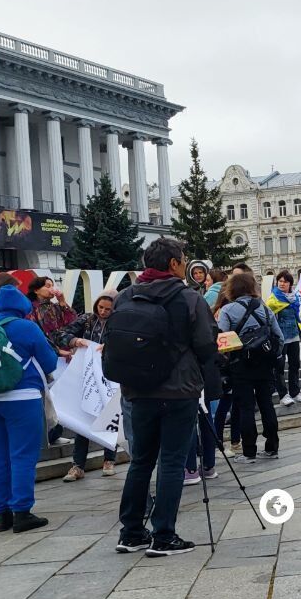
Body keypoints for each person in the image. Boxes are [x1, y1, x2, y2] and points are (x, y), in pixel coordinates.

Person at [110, 238, 217, 556]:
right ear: (173, 264)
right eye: (183, 260)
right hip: (178, 389)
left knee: (140, 461)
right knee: (171, 461)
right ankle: (164, 535)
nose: (185, 264)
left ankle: (131, 532)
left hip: (137, 390)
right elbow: (207, 343)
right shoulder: (188, 298)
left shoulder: (125, 296)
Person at [0, 284, 60, 533]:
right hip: (22, 398)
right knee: (22, 455)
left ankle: (2, 514)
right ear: (22, 306)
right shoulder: (27, 327)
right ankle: (22, 512)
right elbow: (49, 361)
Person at [216, 272, 283, 466]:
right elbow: (277, 336)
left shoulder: (228, 310)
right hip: (264, 363)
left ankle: (249, 451)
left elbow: (222, 341)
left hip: (241, 366)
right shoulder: (264, 307)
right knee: (266, 404)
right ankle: (272, 447)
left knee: (246, 407)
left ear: (232, 289)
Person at [56, 293, 119, 481]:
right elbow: (60, 334)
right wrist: (75, 341)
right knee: (83, 417)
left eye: (108, 309)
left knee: (109, 414)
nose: (103, 312)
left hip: (110, 376)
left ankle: (109, 459)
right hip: (88, 373)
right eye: (101, 307)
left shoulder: (118, 322)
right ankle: (78, 465)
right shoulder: (86, 320)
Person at [26, 276, 75, 446]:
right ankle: (49, 433)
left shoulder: (54, 307)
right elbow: (39, 335)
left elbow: (72, 323)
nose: (51, 289)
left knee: (60, 394)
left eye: (52, 285)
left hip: (62, 355)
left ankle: (56, 431)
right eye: (47, 286)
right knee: (48, 395)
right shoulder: (31, 309)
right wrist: (56, 350)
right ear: (36, 289)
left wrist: (62, 301)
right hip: (45, 355)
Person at [267, 271, 301, 406]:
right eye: (280, 281)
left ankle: (295, 392)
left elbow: (298, 314)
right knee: (279, 367)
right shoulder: (273, 299)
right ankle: (283, 394)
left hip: (294, 335)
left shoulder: (295, 298)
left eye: (285, 281)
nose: (282, 283)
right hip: (280, 338)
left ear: (290, 284)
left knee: (295, 364)